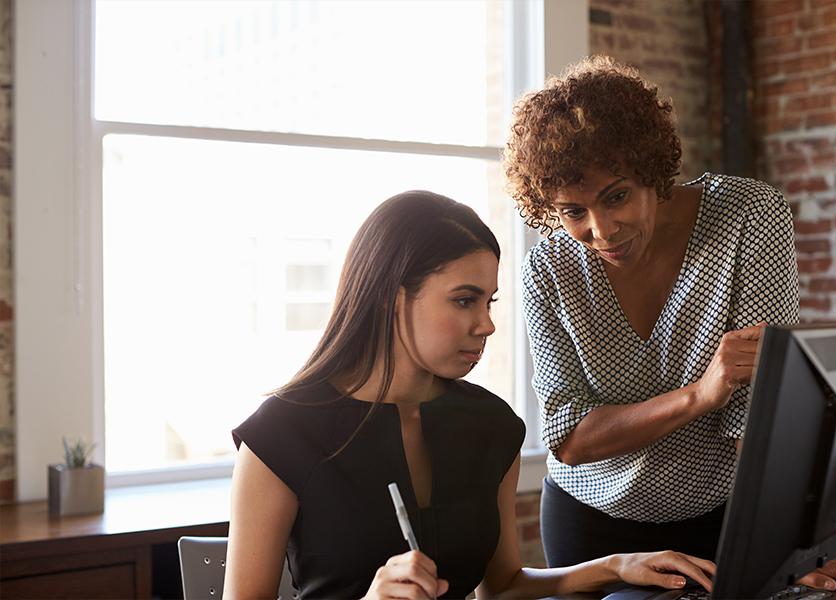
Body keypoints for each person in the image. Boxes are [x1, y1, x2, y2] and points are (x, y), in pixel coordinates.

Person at [224, 190, 720, 600]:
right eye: (464, 300)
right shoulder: (280, 437)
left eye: (488, 302)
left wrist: (616, 566)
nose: (486, 325)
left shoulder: (491, 426)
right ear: (391, 296)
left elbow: (502, 586)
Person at [502, 55, 836, 591]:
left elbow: (755, 414)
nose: (601, 230)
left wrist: (793, 552)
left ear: (652, 170)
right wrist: (701, 393)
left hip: (724, 519)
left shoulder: (747, 216)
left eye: (616, 196)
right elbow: (568, 436)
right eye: (572, 212)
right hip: (592, 525)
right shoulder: (550, 267)